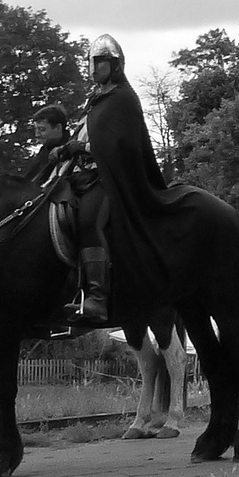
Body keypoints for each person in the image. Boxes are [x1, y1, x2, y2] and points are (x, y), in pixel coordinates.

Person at [51, 34, 171, 326]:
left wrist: (84, 149)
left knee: (89, 221)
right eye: (91, 61)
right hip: (82, 174)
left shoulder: (123, 99)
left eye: (100, 61)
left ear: (114, 64)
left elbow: (124, 146)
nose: (94, 67)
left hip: (111, 177)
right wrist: (66, 148)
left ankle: (96, 298)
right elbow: (86, 134)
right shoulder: (96, 98)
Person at [21, 104, 73, 189]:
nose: (37, 134)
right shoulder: (44, 151)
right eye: (36, 129)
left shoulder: (71, 152)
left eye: (42, 130)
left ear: (58, 128)